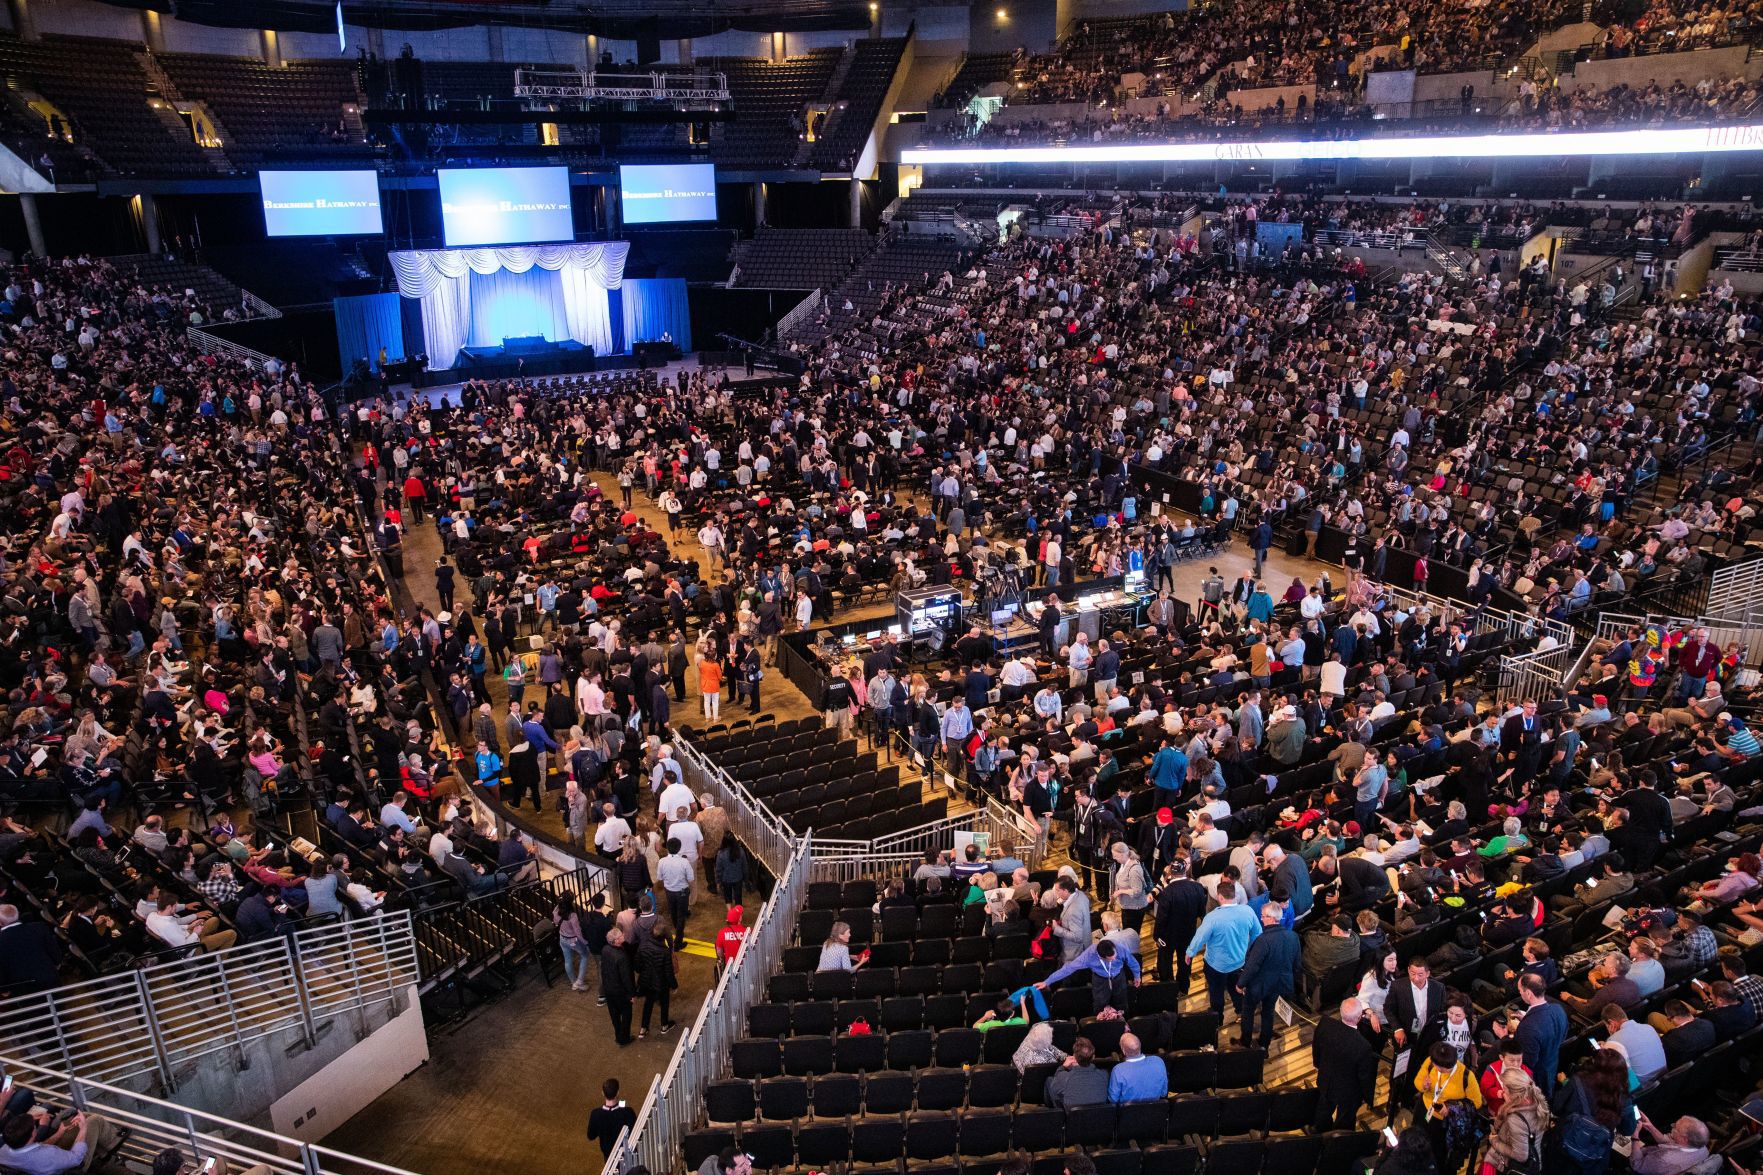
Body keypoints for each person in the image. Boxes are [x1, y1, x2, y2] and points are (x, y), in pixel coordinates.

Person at [1185, 878, 1261, 1018]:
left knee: (1216, 992)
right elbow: (1257, 933)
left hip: (1216, 965)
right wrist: (1249, 948)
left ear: (1220, 897)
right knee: (1236, 989)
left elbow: (1200, 938)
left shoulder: (1213, 917)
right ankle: (1241, 1012)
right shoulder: (1248, 911)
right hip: (1239, 962)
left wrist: (1190, 952)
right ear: (1235, 895)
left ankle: (1217, 1018)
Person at [1236, 901, 1300, 1049]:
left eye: (1263, 916)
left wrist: (1241, 984)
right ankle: (1264, 1044)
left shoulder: (1263, 940)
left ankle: (1245, 1042)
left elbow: (1252, 966)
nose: (1261, 918)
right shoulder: (1293, 936)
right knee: (1268, 1012)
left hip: (1259, 986)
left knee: (1248, 1010)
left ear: (1271, 918)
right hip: (1280, 984)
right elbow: (1297, 965)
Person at [1312, 998, 1380, 1130]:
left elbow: (1316, 1049)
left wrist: (1319, 1066)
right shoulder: (1363, 1046)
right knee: (1345, 1122)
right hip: (1348, 1092)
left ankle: (1319, 1136)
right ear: (1359, 1017)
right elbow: (1364, 1077)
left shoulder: (1324, 1024)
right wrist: (1367, 1097)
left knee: (1323, 1112)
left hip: (1326, 1080)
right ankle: (1339, 1143)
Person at [1413, 1039, 1482, 1169]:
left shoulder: (1467, 1076)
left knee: (1438, 1157)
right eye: (1439, 1067)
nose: (1442, 1071)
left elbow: (1477, 1103)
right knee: (1418, 1146)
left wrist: (1451, 1107)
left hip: (1446, 1124)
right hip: (1424, 1111)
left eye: (1447, 1069)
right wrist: (1423, 1085)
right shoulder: (1430, 1063)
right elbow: (1417, 1081)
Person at [1483, 1065, 1549, 1174]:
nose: (1503, 1091)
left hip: (1511, 1167)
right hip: (1536, 1160)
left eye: (1504, 1088)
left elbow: (1521, 1155)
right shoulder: (1536, 1101)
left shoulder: (1515, 1119)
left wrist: (1494, 1140)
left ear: (1513, 1093)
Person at [1628, 1114, 1711, 1175]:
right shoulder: (1702, 1147)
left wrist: (1635, 1137)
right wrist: (1651, 1127)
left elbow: (1637, 1165)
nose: (1672, 1126)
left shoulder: (1664, 1160)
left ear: (1684, 1139)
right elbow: (1668, 1142)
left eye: (1675, 1127)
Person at [637, 921, 677, 1038]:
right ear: (664, 937)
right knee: (664, 1003)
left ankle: (643, 1029)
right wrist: (674, 985)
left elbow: (637, 965)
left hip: (647, 981)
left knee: (648, 1003)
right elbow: (669, 972)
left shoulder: (643, 945)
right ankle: (664, 1025)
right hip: (661, 983)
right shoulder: (664, 952)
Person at [1045, 1036, 1110, 1108]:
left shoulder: (1064, 1077)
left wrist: (1062, 1067)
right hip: (1098, 1116)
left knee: (1050, 1080)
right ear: (1093, 1057)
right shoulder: (1104, 1075)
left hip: (1071, 1117)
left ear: (1074, 1057)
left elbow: (1054, 1089)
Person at [1107, 1032, 1168, 1103]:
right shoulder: (1158, 1061)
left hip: (1128, 1112)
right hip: (1154, 1110)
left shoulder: (1118, 1070)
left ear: (1123, 1051)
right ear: (1140, 1045)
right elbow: (1164, 1093)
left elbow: (1113, 1100)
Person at [601, 926, 635, 1045]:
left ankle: (618, 1035)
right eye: (621, 936)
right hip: (620, 992)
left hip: (609, 989)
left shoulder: (605, 949)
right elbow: (626, 978)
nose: (623, 936)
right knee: (627, 1014)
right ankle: (624, 1038)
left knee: (614, 1015)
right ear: (616, 941)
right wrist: (631, 994)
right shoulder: (621, 957)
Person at [587, 1078, 637, 1160]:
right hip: (627, 1153)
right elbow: (635, 1131)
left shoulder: (596, 1114)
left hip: (608, 1156)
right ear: (618, 1092)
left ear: (603, 1093)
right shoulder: (628, 1112)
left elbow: (591, 1136)